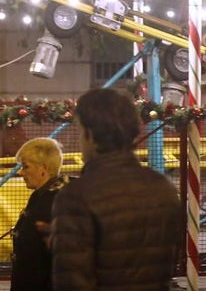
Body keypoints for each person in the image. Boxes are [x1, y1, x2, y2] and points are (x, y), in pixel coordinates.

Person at [51, 88, 181, 291]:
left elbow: (73, 282)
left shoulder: (77, 195)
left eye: (80, 130)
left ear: (90, 134)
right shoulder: (164, 188)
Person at [10, 137, 68, 291]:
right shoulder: (42, 196)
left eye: (26, 167)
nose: (21, 172)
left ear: (43, 169)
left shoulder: (55, 203)